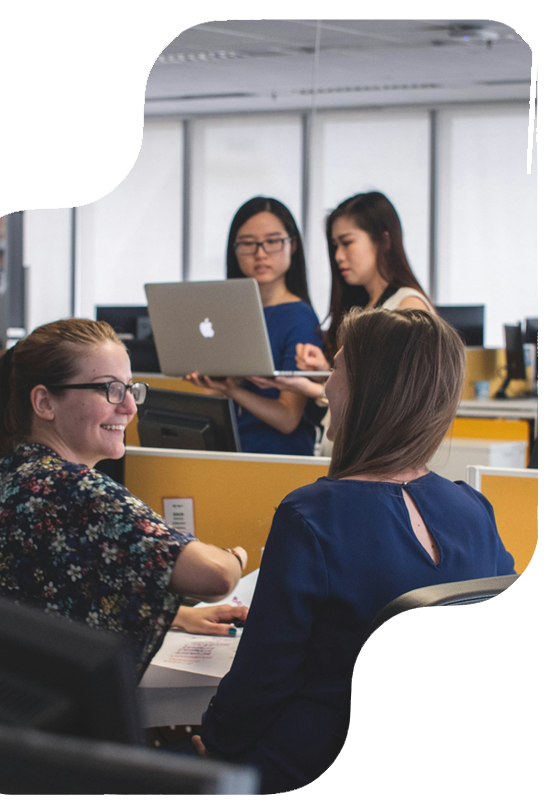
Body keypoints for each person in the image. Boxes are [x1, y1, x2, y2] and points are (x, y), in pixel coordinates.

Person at [192, 308, 516, 794]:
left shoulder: (312, 516)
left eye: (336, 370)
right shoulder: (473, 509)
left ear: (368, 389)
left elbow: (262, 681)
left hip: (304, 763)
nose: (325, 388)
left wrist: (212, 741)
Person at [0, 318, 248, 680]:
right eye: (109, 389)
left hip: (5, 705)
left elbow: (47, 595)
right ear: (45, 402)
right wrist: (237, 556)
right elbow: (216, 576)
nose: (129, 407)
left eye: (130, 388)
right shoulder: (70, 487)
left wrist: (178, 615)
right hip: (60, 721)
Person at [261, 191, 435, 406]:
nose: (338, 256)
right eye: (335, 245)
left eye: (347, 242)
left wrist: (312, 388)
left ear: (383, 240)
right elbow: (364, 383)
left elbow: (394, 402)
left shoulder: (408, 307)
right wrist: (325, 371)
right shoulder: (365, 305)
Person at [186, 196, 324, 456]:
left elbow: (288, 418)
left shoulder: (298, 316)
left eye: (272, 242)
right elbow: (226, 394)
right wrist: (216, 385)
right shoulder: (231, 312)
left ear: (292, 245)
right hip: (230, 451)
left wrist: (233, 390)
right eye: (248, 244)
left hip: (275, 458)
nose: (260, 253)